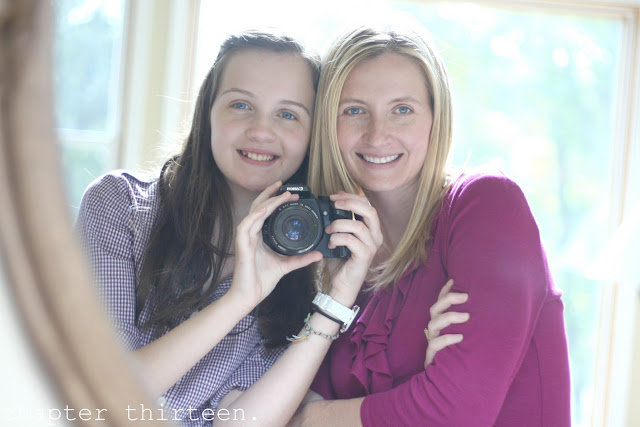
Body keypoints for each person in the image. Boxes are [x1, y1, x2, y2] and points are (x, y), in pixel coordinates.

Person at [294, 24, 572, 426]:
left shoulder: (488, 205)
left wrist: (307, 418)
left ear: (435, 118)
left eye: (402, 110)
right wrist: (419, 391)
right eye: (354, 110)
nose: (378, 135)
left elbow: (453, 413)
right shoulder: (336, 246)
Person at [76, 30, 329, 426]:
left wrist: (336, 302)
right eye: (241, 105)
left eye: (288, 114)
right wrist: (239, 300)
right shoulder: (120, 205)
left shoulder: (309, 263)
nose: (261, 131)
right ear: (207, 112)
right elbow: (104, 390)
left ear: (313, 135)